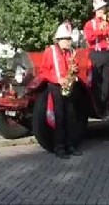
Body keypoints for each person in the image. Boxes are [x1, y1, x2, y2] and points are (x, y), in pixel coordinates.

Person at [39, 21, 83, 159]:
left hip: (69, 87)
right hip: (56, 87)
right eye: (67, 39)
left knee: (70, 117)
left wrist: (75, 71)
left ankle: (71, 145)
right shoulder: (50, 51)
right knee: (60, 117)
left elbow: (75, 67)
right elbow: (43, 72)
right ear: (59, 40)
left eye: (70, 39)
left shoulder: (71, 52)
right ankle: (60, 148)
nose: (69, 42)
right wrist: (58, 79)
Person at [83, 0, 109, 114]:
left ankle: (105, 107)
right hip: (96, 54)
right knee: (95, 81)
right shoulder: (90, 24)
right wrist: (101, 30)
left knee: (107, 81)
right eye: (99, 9)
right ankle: (97, 107)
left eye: (103, 8)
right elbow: (89, 38)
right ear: (95, 11)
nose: (102, 11)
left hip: (108, 54)